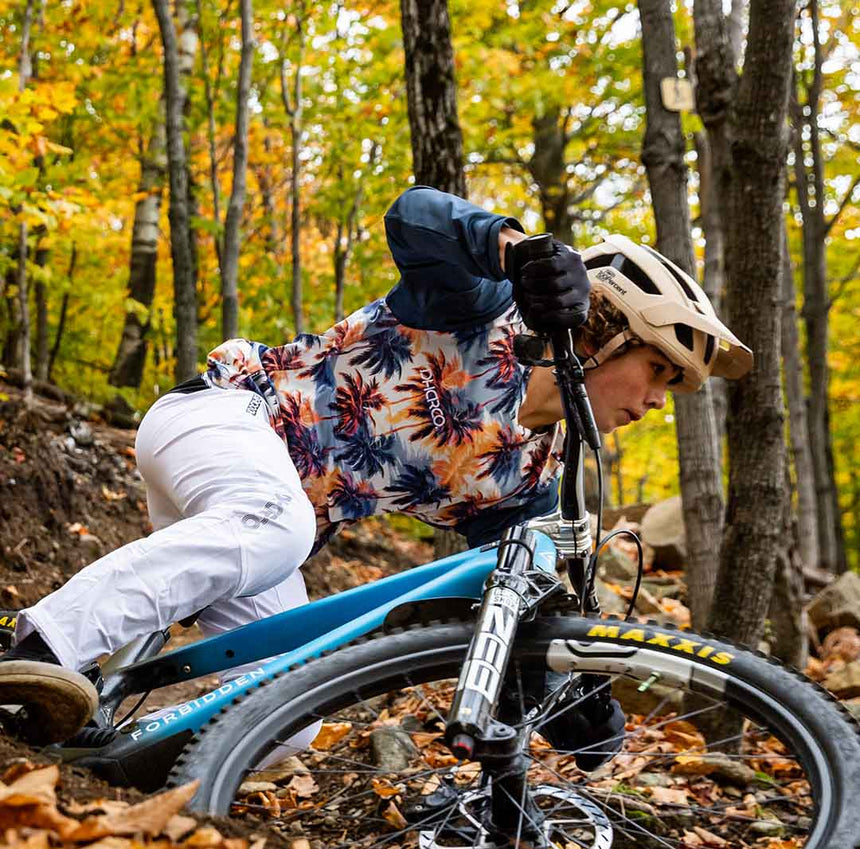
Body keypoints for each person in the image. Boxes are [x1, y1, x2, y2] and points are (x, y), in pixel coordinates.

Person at [0, 186, 751, 751]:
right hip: (221, 418)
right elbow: (415, 215)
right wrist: (518, 250)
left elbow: (515, 598)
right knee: (276, 524)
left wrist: (566, 698)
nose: (657, 400)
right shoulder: (480, 310)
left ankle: (94, 744)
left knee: (291, 719)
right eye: (658, 370)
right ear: (606, 330)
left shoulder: (528, 475)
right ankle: (32, 649)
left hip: (265, 533)